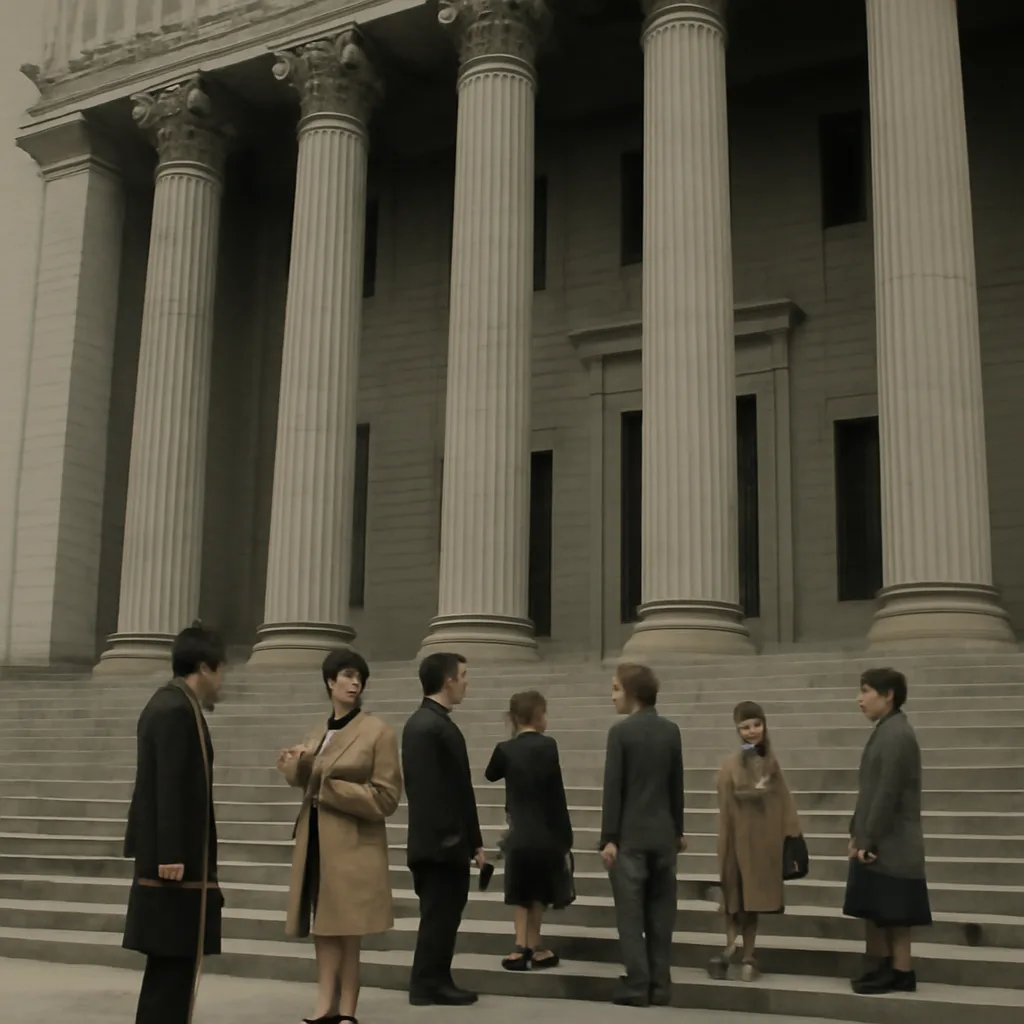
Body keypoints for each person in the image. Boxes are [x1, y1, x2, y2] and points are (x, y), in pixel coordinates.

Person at [277, 648, 402, 1024]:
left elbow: (386, 797)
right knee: (324, 927)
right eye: (347, 675)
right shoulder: (319, 731)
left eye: (359, 677)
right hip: (317, 840)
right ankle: (323, 1005)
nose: (355, 682)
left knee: (348, 930)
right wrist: (294, 765)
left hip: (353, 845)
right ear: (330, 681)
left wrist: (327, 785)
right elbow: (308, 781)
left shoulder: (377, 731)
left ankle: (346, 1009)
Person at [122, 621, 227, 1024]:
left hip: (179, 859)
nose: (222, 681)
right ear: (204, 668)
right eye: (221, 670)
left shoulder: (177, 706)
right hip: (173, 864)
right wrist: (170, 852)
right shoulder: (172, 710)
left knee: (175, 971)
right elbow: (165, 783)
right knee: (170, 972)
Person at [401, 652, 486, 1006]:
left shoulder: (428, 724)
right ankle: (427, 983)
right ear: (448, 680)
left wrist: (471, 841)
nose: (466, 682)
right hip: (440, 845)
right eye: (463, 675)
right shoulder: (430, 726)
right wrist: (460, 840)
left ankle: (437, 977)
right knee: (440, 915)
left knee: (442, 916)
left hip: (440, 842)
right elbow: (442, 792)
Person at [600, 663, 685, 1008]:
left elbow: (614, 788)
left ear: (632, 693)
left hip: (631, 836)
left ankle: (637, 983)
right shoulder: (671, 730)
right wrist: (678, 829)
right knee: (662, 914)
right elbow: (675, 784)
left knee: (631, 915)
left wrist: (609, 837)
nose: (613, 696)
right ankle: (660, 984)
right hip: (664, 834)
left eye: (616, 688)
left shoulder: (620, 733)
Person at [844, 667, 931, 995]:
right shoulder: (888, 730)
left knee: (893, 912)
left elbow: (886, 793)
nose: (859, 699)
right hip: (881, 837)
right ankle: (885, 969)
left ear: (888, 694)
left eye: (866, 691)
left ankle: (898, 971)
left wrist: (867, 837)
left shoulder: (896, 734)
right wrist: (858, 831)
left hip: (892, 842)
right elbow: (870, 791)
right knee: (880, 909)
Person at [708, 701, 802, 983]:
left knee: (747, 901)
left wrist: (790, 834)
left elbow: (783, 802)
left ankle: (741, 952)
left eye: (756, 725)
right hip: (738, 842)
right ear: (737, 729)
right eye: (745, 727)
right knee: (738, 899)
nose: (752, 731)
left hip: (758, 844)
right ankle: (737, 950)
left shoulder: (770, 763)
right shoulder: (737, 765)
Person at [484, 690, 573, 971]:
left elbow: (491, 773)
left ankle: (519, 945)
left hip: (519, 834)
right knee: (538, 894)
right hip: (545, 833)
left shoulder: (505, 749)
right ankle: (536, 946)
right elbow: (556, 794)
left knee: (520, 893)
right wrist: (564, 836)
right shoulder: (548, 746)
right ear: (538, 716)